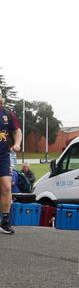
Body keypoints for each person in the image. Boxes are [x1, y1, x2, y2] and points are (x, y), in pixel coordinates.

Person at [0, 96, 23, 234]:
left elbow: (17, 131)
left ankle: (5, 221)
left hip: (3, 156)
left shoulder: (8, 114)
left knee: (7, 187)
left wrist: (17, 143)